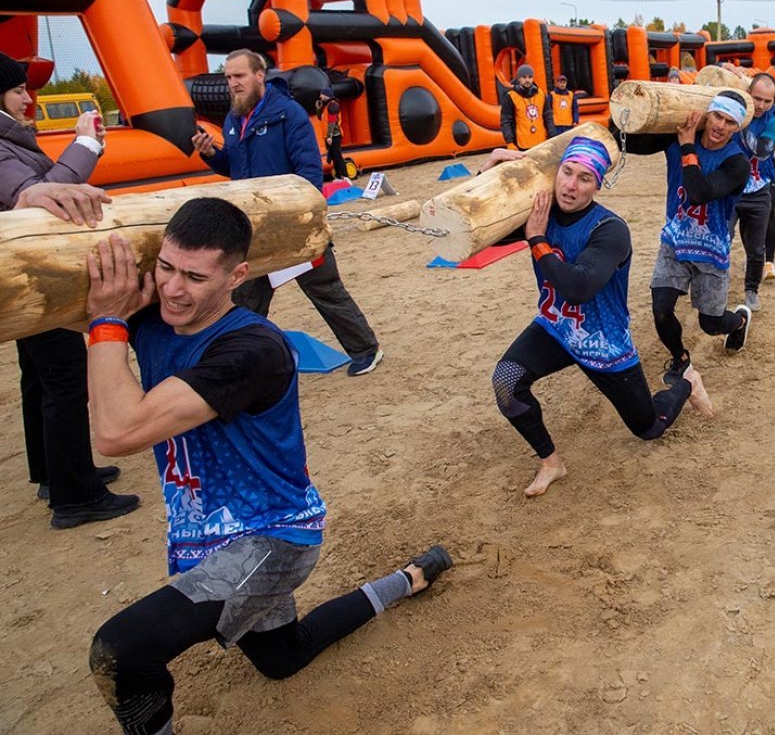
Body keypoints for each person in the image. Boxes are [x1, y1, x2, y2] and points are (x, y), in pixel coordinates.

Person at [82, 197, 452, 733]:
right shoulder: (159, 315)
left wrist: (109, 322)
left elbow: (116, 432)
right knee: (283, 658)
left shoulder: (251, 348)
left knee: (119, 652)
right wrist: (39, 193)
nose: (173, 289)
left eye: (194, 276)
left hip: (271, 539)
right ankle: (409, 579)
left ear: (237, 276)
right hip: (206, 537)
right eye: (164, 267)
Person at [492, 137, 707, 498]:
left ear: (598, 184)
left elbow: (579, 286)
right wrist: (493, 169)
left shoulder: (609, 229)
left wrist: (537, 240)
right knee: (506, 382)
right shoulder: (541, 212)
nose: (571, 186)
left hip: (603, 341)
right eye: (567, 173)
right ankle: (551, 462)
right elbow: (488, 232)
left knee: (648, 428)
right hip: (557, 327)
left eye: (584, 178)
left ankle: (687, 384)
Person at [0, 52, 139, 527]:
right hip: (40, 277)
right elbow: (43, 201)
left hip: (27, 278)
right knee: (64, 379)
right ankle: (76, 495)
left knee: (38, 376)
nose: (27, 97)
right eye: (18, 89)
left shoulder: (10, 138)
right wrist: (85, 145)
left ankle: (52, 471)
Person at [191, 49, 382, 377]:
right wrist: (212, 155)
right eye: (228, 77)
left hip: (293, 225)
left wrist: (302, 220)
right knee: (245, 300)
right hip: (252, 228)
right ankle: (238, 364)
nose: (232, 83)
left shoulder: (288, 114)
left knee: (326, 290)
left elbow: (308, 170)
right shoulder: (233, 119)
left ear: (259, 76)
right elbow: (234, 167)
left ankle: (366, 350)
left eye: (239, 76)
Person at [626, 92, 754, 376]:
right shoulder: (679, 137)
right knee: (661, 308)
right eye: (717, 116)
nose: (720, 126)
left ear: (737, 128)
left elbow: (699, 193)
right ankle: (680, 359)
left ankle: (739, 322)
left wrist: (687, 148)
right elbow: (632, 142)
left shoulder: (737, 163)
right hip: (675, 241)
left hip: (711, 250)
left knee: (710, 324)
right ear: (707, 115)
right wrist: (628, 113)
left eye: (730, 122)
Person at [731, 74, 775, 310]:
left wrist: (738, 125)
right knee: (721, 239)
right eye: (757, 99)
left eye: (767, 101)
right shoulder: (732, 110)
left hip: (759, 188)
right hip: (730, 189)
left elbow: (762, 151)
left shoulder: (772, 120)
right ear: (747, 94)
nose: (761, 106)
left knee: (756, 247)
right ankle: (712, 284)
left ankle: (751, 290)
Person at [500, 64, 554, 150]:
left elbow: (548, 116)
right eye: (524, 77)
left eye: (530, 77)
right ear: (519, 79)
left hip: (542, 142)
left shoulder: (541, 94)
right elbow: (506, 121)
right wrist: (509, 142)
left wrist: (552, 134)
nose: (527, 80)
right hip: (521, 144)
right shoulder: (510, 96)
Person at [315, 86, 348, 182]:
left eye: (322, 94)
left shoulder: (333, 105)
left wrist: (329, 136)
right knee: (334, 156)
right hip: (330, 136)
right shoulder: (326, 106)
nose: (320, 96)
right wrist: (318, 109)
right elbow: (321, 119)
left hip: (334, 135)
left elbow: (332, 122)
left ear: (326, 95)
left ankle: (345, 176)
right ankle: (338, 177)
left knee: (337, 156)